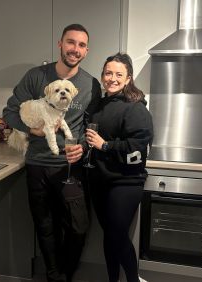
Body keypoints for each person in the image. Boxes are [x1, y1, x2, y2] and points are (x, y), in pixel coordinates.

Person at [3, 24, 102, 282]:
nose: (75, 49)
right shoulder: (36, 77)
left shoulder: (90, 84)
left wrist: (83, 146)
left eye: (81, 45)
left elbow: (93, 124)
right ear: (60, 44)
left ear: (86, 50)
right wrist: (31, 130)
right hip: (37, 165)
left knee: (78, 228)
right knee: (45, 225)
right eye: (71, 42)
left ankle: (66, 272)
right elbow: (10, 112)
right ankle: (52, 275)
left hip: (71, 167)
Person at [85, 53, 153, 282]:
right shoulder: (99, 105)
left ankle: (133, 280)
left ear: (128, 78)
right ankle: (112, 279)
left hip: (125, 181)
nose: (112, 78)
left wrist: (105, 145)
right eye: (108, 73)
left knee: (117, 234)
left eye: (118, 74)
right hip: (99, 179)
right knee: (110, 235)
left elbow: (138, 144)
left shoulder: (135, 108)